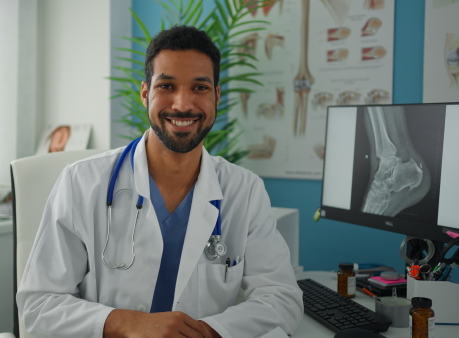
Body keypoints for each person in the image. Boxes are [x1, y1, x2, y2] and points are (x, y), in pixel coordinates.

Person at [17, 25, 303, 337]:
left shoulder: (244, 191)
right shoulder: (81, 183)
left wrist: (206, 332)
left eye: (199, 88)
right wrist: (128, 323)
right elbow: (38, 306)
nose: (182, 104)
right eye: (166, 86)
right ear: (145, 93)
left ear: (217, 96)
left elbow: (281, 299)